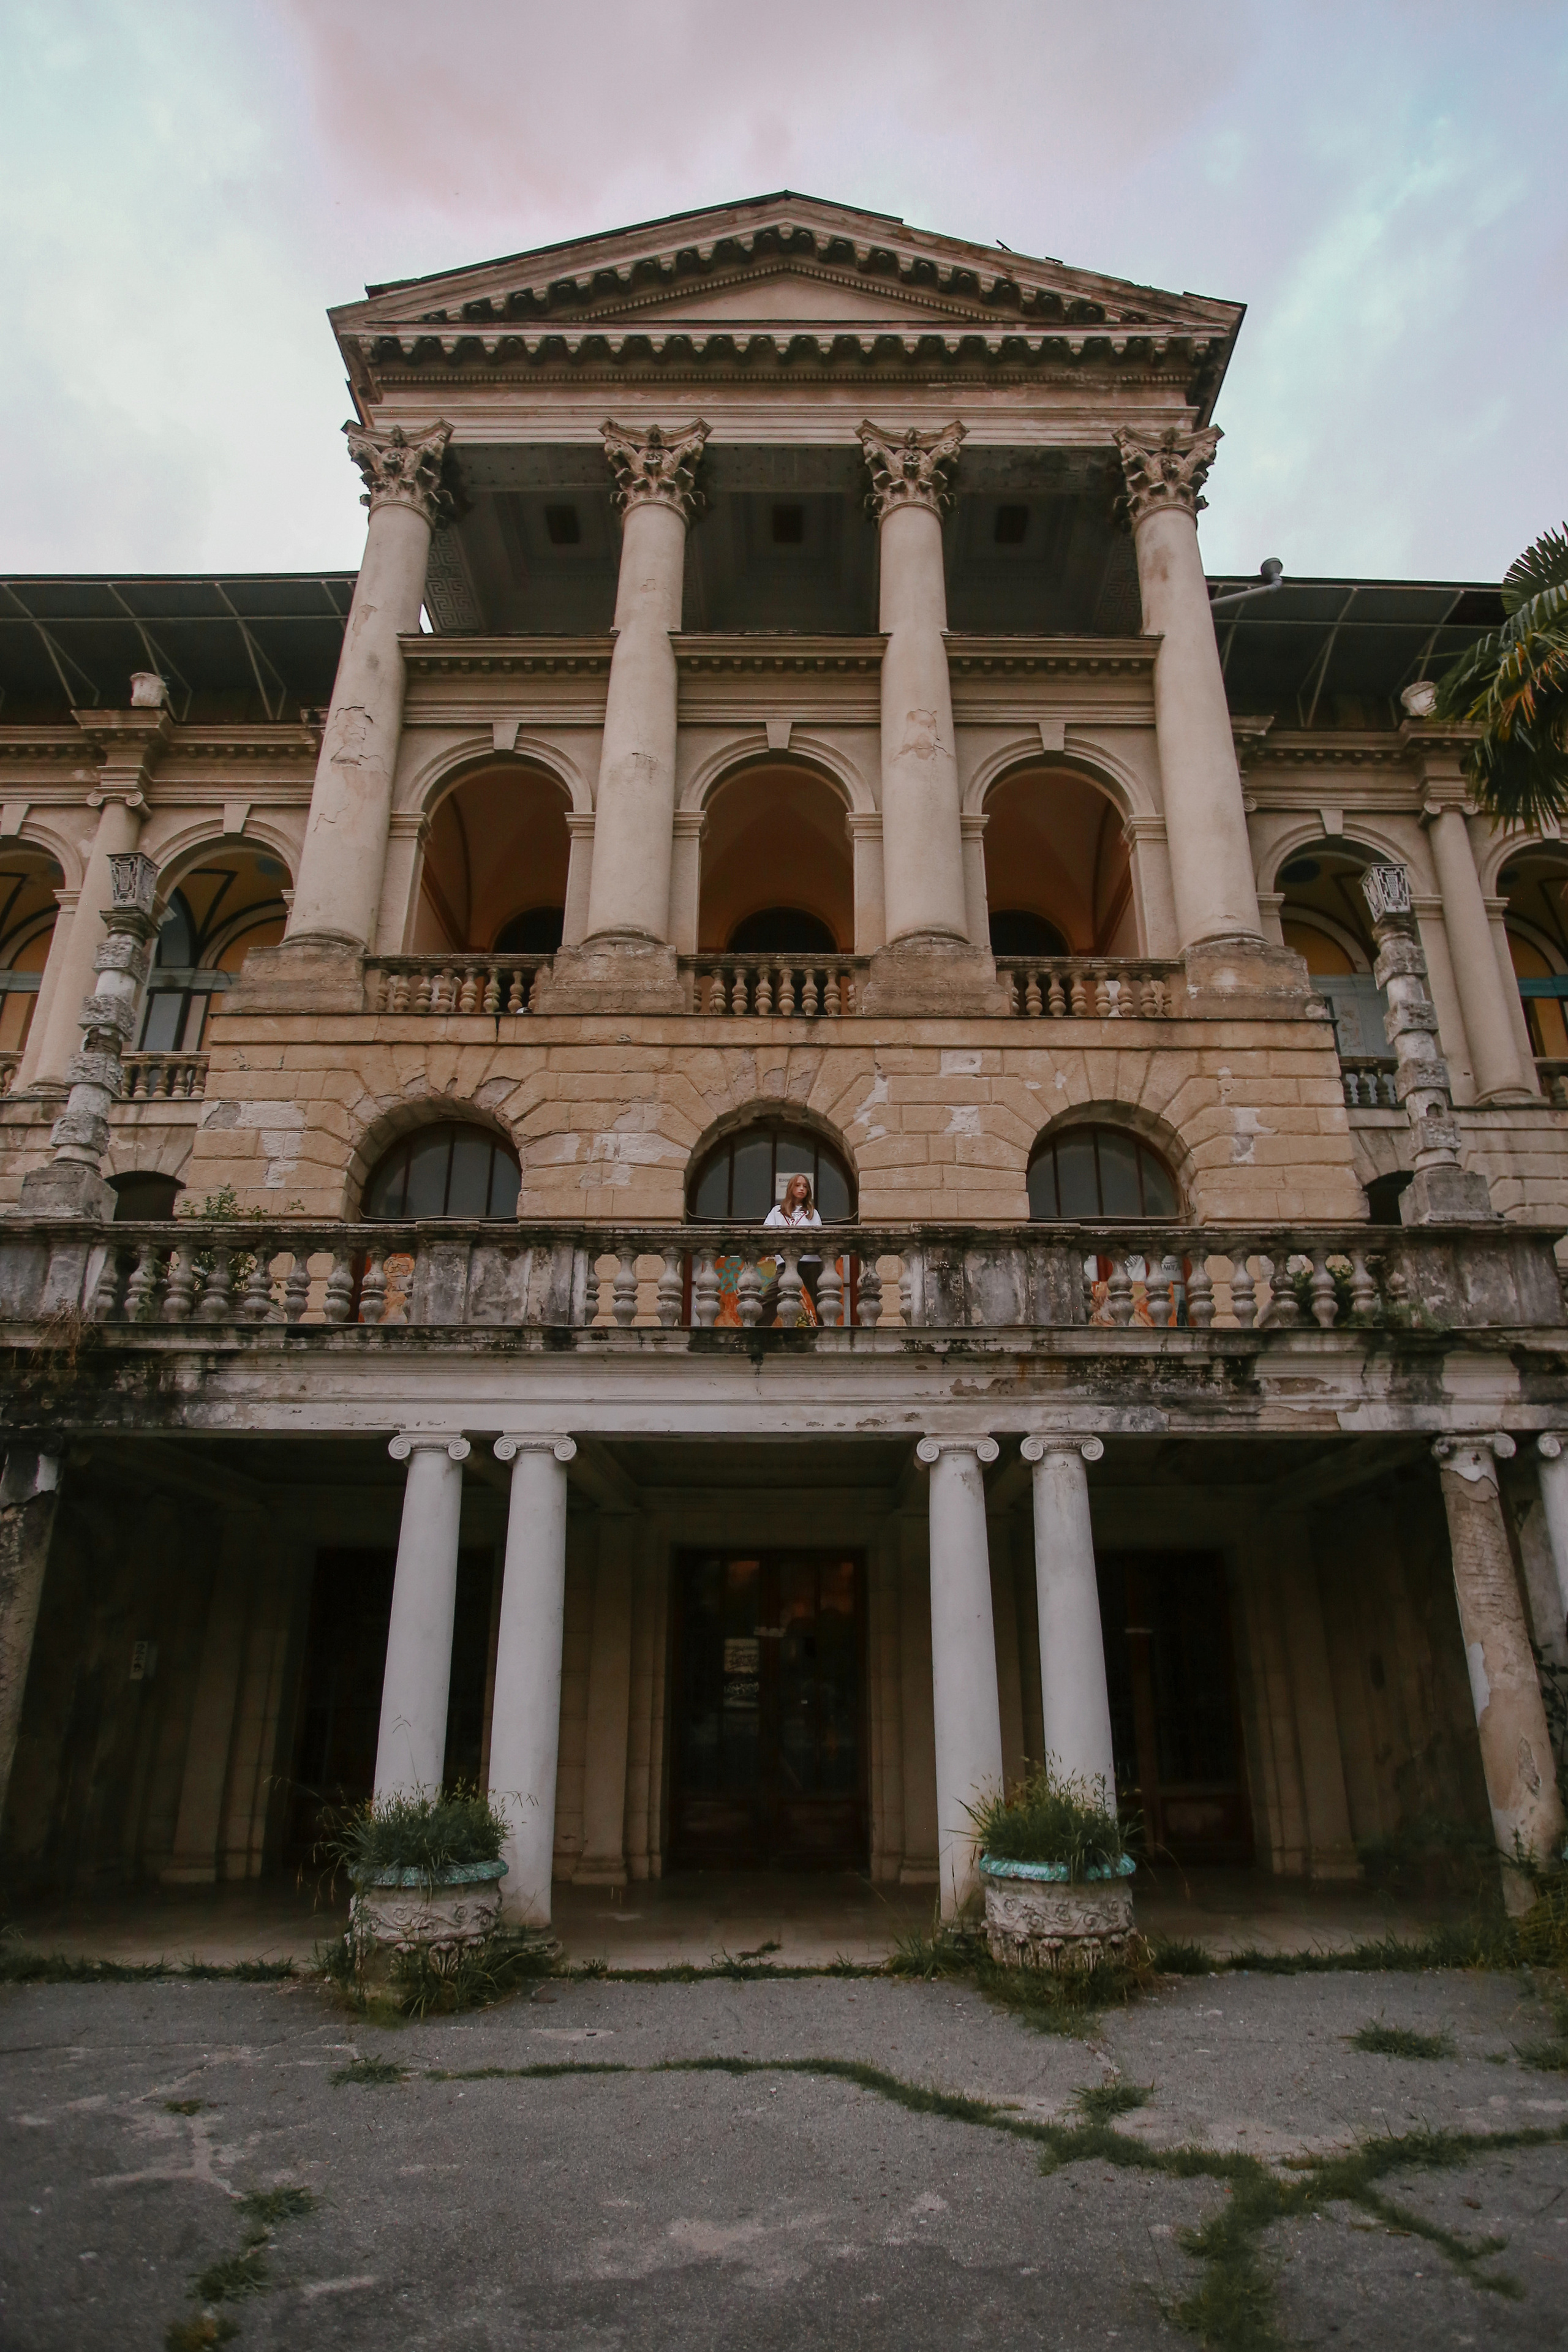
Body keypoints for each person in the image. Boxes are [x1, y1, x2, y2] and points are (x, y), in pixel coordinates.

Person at [761, 1171, 823, 1321]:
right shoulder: (777, 1211)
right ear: (791, 1188)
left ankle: (827, 1329)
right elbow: (766, 1231)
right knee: (772, 1297)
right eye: (798, 1185)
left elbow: (821, 1236)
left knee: (821, 1297)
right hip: (786, 1262)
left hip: (811, 1261)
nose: (802, 1189)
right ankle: (758, 1327)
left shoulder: (812, 1213)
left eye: (805, 1186)